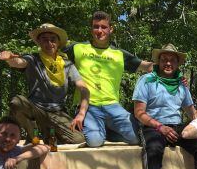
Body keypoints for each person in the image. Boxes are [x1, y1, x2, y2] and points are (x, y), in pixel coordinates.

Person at [133, 44, 197, 169]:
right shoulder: (146, 80)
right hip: (154, 125)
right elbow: (139, 113)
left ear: (177, 64)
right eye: (164, 60)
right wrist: (160, 127)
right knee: (153, 149)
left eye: (172, 60)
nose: (168, 63)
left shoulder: (181, 84)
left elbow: (191, 112)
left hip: (177, 126)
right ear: (158, 62)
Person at [65, 10, 152, 147]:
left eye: (103, 27)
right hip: (88, 107)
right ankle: (98, 133)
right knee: (95, 142)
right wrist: (22, 62)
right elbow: (52, 57)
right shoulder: (77, 48)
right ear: (91, 29)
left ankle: (106, 131)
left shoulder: (119, 54)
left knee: (136, 138)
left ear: (110, 29)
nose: (99, 31)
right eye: (96, 26)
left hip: (113, 106)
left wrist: (175, 74)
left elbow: (147, 67)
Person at [2, 23, 89, 144]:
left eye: (52, 39)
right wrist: (9, 59)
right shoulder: (33, 59)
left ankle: (48, 133)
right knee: (17, 102)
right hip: (36, 109)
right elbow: (19, 62)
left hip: (57, 112)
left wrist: (81, 113)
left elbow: (83, 88)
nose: (49, 43)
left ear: (58, 42)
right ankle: (34, 136)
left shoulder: (66, 63)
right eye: (44, 40)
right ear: (39, 42)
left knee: (79, 139)